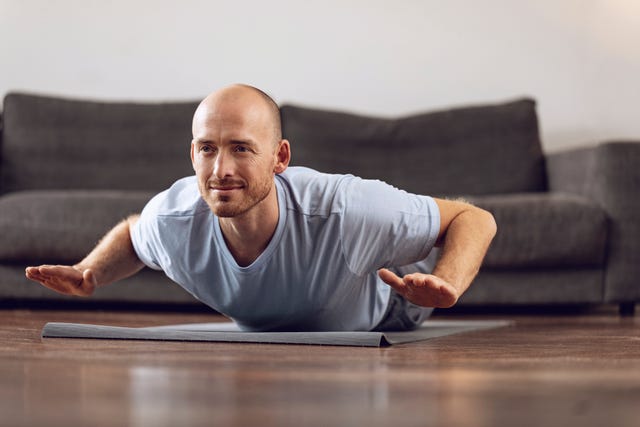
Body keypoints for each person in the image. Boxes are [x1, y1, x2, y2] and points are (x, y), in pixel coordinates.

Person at [25, 84, 497, 332]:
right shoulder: (172, 218)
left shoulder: (348, 209)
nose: (220, 169)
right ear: (192, 154)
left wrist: (447, 284)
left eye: (242, 149)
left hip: (388, 301)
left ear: (281, 158)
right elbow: (135, 231)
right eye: (207, 149)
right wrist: (89, 274)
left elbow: (472, 217)